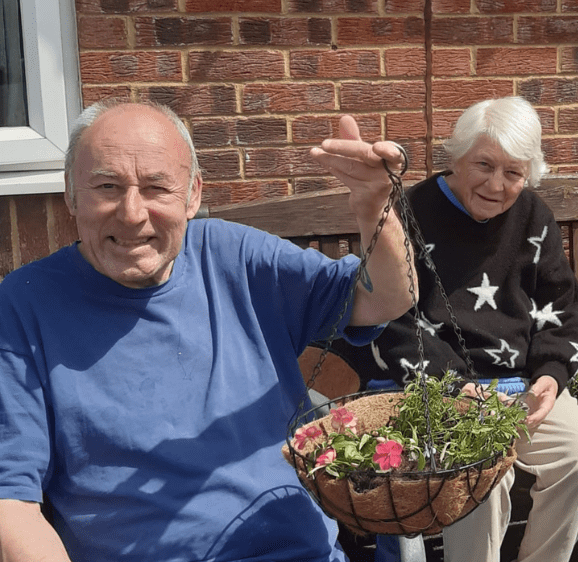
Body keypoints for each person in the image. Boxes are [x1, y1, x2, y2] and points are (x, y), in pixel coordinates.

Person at [0, 100, 416, 562]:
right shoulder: (25, 303)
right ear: (72, 194)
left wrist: (375, 205)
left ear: (193, 195)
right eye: (106, 186)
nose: (132, 213)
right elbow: (11, 503)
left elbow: (385, 297)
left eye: (157, 187)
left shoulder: (233, 255)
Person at [345, 96, 578, 562]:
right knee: (482, 471)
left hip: (523, 385)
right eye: (483, 165)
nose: (496, 184)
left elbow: (562, 307)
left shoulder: (534, 216)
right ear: (457, 157)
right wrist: (459, 389)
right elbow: (394, 320)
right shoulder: (412, 210)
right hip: (445, 386)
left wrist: (551, 376)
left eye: (513, 172)